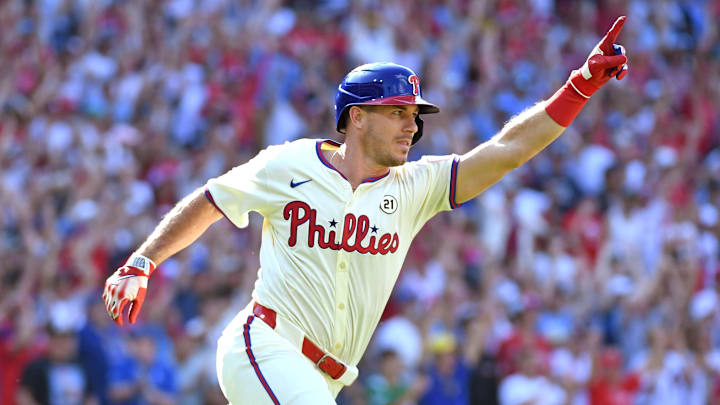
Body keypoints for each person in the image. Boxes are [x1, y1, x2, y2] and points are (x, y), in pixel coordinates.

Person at [102, 16, 630, 405]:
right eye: (396, 111)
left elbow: (506, 151)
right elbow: (212, 200)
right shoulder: (289, 163)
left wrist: (578, 86)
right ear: (356, 117)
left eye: (414, 115)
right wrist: (143, 261)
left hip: (327, 376)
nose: (411, 125)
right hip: (264, 345)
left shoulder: (416, 186)